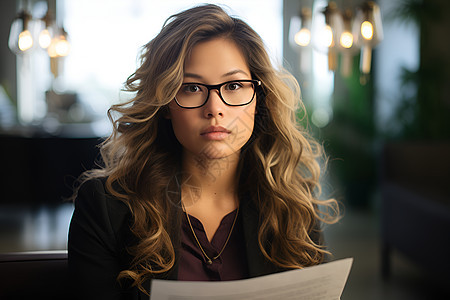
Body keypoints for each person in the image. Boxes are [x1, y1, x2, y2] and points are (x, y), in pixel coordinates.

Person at [68, 4, 339, 299]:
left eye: (234, 85)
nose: (215, 109)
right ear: (165, 104)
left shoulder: (293, 204)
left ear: (259, 99)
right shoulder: (107, 206)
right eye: (192, 88)